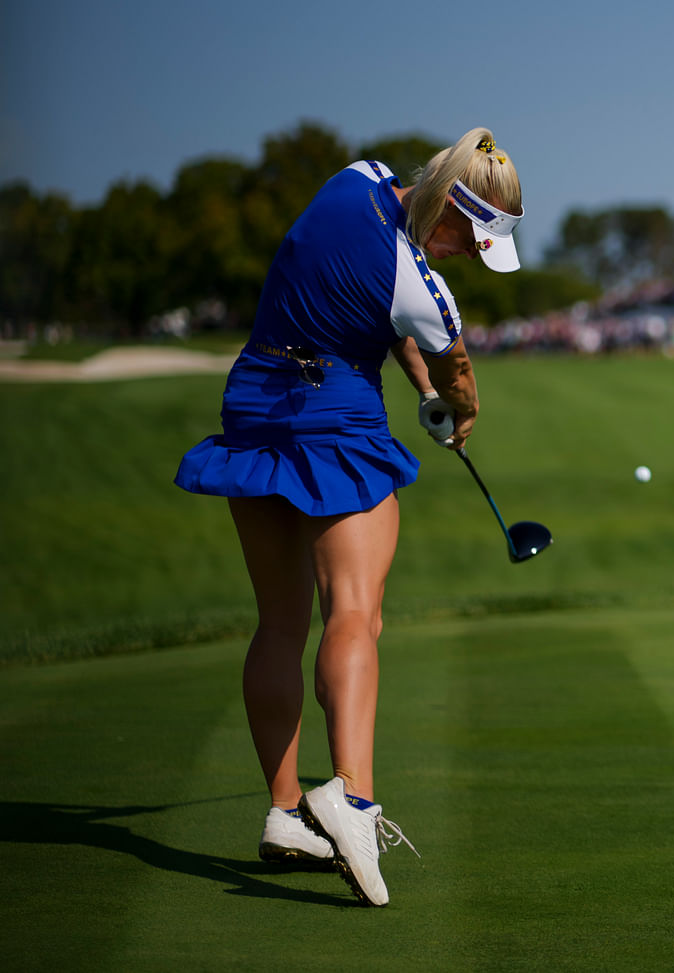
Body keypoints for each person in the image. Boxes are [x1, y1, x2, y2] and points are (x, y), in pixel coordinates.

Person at [174, 127, 524, 906]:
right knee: (356, 614)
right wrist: (458, 411)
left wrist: (413, 380)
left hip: (254, 401)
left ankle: (285, 811)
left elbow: (365, 300)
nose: (468, 258)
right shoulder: (427, 287)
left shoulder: (354, 178)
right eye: (472, 244)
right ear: (455, 218)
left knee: (279, 623)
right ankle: (353, 798)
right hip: (336, 420)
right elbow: (455, 367)